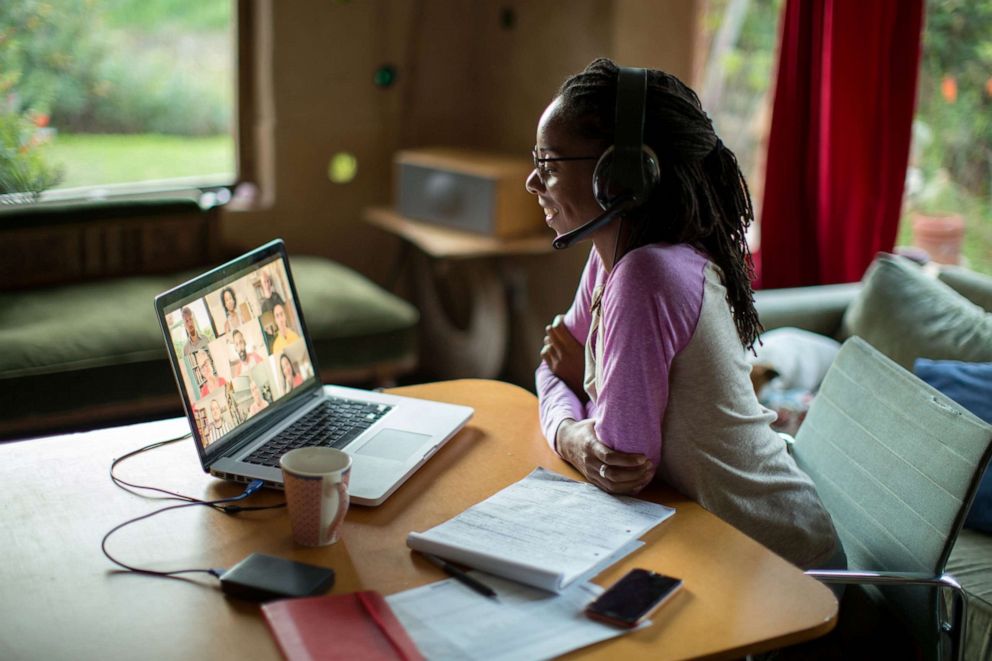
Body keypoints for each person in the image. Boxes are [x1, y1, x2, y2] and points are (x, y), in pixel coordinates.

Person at [530, 58, 841, 571]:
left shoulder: (646, 274)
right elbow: (548, 363)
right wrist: (572, 426)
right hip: (704, 533)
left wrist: (574, 408)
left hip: (780, 562)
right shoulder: (611, 256)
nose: (532, 182)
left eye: (549, 164)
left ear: (620, 174)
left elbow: (622, 461)